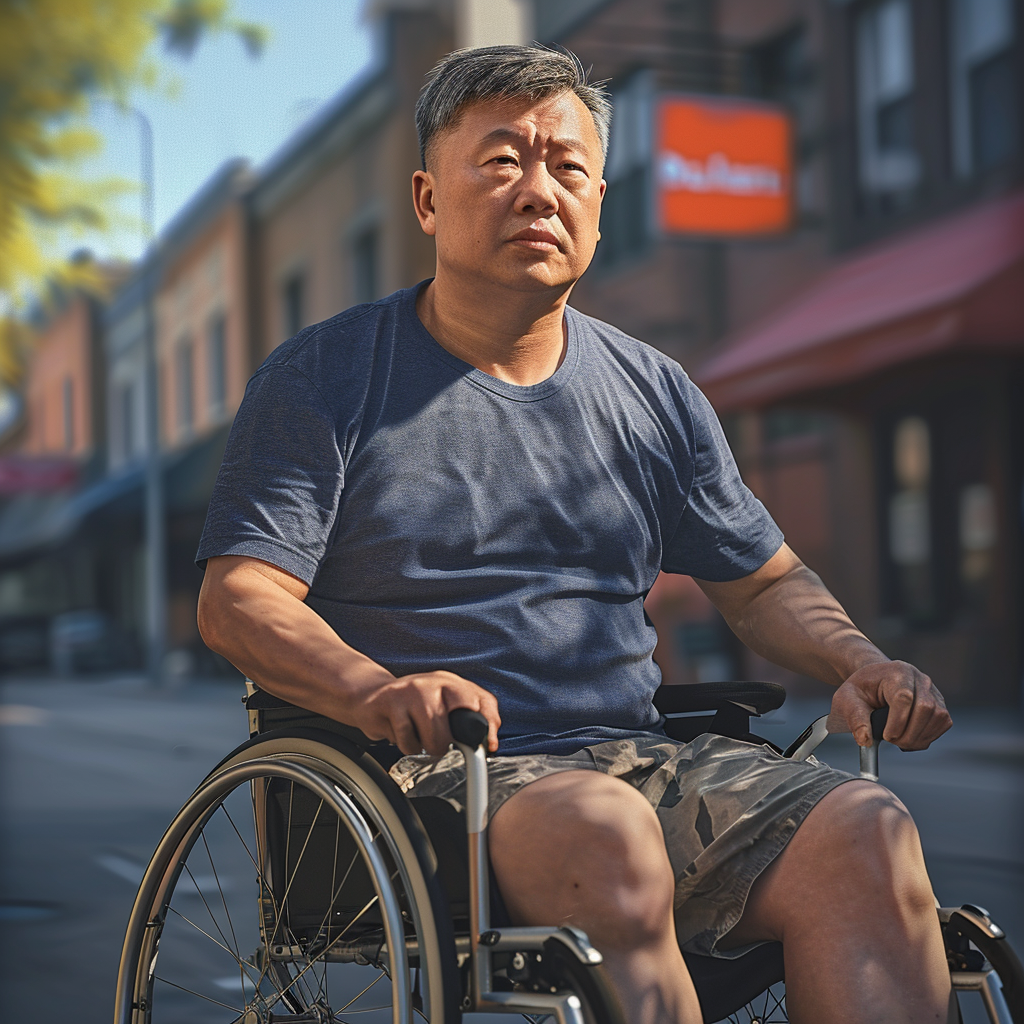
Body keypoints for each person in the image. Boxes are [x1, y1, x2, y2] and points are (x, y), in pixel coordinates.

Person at [196, 45, 953, 1024]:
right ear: (428, 201)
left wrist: (858, 659)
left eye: (566, 167)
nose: (538, 190)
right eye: (503, 160)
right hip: (425, 775)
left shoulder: (652, 390)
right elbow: (238, 598)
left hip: (636, 761)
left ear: (600, 202)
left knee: (867, 828)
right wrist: (376, 687)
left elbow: (761, 583)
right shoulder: (326, 379)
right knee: (611, 834)